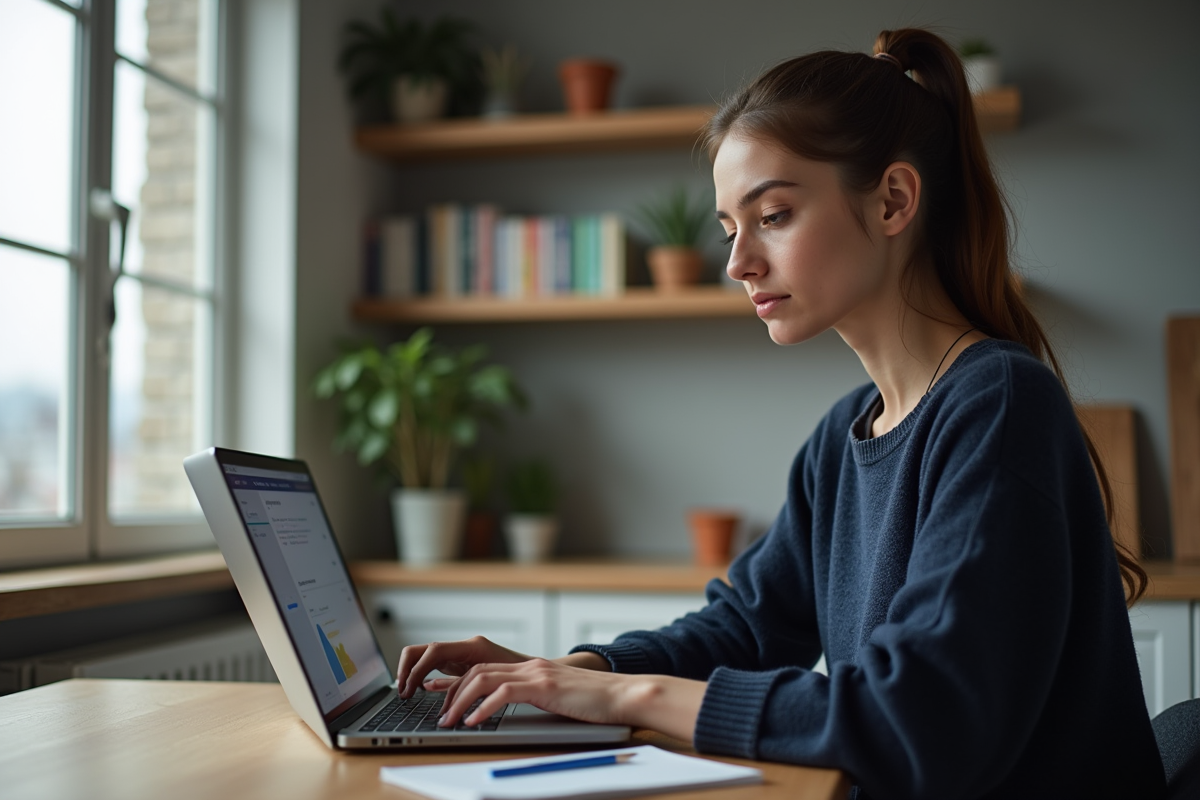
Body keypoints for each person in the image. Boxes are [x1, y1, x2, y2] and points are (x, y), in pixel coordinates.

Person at [395, 28, 1166, 800]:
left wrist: (623, 698)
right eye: (731, 229)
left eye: (774, 215)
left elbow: (919, 722)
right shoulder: (843, 436)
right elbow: (746, 630)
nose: (738, 263)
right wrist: (566, 672)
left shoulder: (996, 404)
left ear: (893, 199)